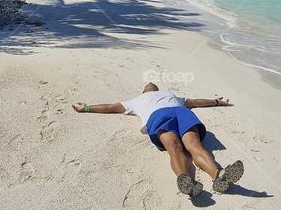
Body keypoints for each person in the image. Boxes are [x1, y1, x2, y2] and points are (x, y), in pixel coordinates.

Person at [72, 82, 244, 197]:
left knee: (190, 146)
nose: (149, 84)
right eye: (148, 84)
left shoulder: (170, 94)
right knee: (179, 148)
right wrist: (86, 107)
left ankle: (219, 175)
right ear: (145, 91)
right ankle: (186, 180)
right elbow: (110, 107)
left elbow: (194, 101)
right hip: (164, 116)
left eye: (151, 84)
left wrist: (216, 101)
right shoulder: (135, 100)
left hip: (179, 113)